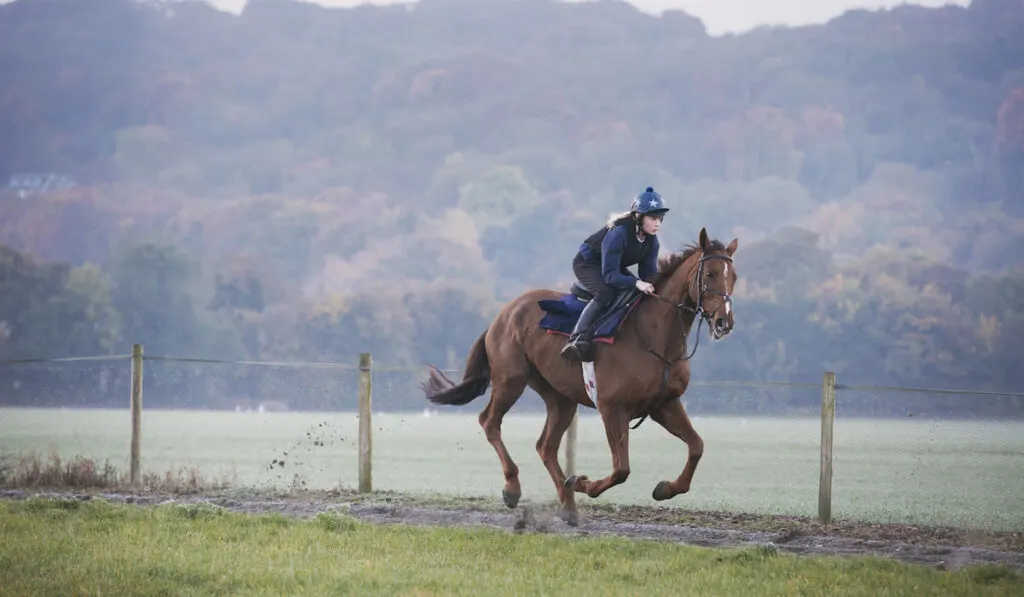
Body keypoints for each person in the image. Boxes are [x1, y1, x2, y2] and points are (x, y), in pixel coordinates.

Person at [560, 186, 668, 361]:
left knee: (637, 291)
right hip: (587, 263)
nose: (658, 223)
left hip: (611, 265)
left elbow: (649, 275)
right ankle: (575, 339)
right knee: (606, 292)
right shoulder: (619, 233)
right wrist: (636, 283)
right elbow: (610, 276)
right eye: (653, 218)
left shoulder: (652, 242)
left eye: (660, 219)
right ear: (638, 217)